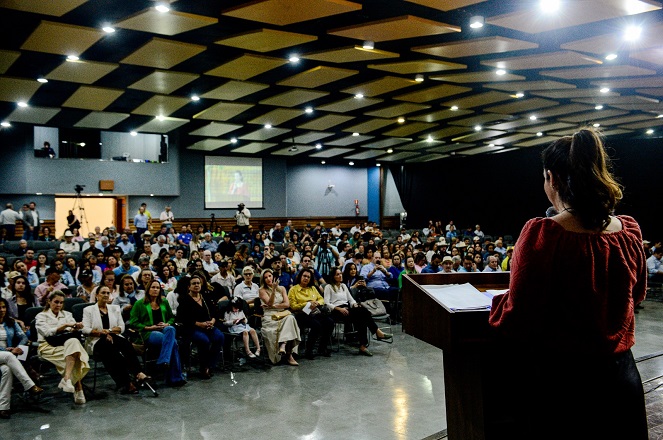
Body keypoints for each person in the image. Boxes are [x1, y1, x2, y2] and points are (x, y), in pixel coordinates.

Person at [488, 128, 648, 438]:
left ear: (553, 178)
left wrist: (498, 303)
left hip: (564, 385)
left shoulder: (544, 234)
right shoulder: (628, 231)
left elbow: (519, 317)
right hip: (622, 379)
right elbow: (637, 294)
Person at [82, 286, 150, 394]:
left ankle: (137, 374)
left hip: (114, 336)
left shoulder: (115, 308)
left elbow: (121, 327)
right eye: (103, 292)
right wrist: (102, 333)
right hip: (96, 340)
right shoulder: (88, 310)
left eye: (108, 293)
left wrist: (108, 332)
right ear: (97, 295)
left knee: (126, 344)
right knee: (109, 349)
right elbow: (85, 329)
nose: (105, 295)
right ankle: (127, 382)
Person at [35, 290, 89, 404]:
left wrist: (75, 327)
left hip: (65, 343)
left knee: (73, 341)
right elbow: (47, 333)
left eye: (61, 303)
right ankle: (79, 388)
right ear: (49, 301)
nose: (58, 305)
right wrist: (65, 325)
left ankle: (67, 378)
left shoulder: (67, 314)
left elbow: (71, 330)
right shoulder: (41, 316)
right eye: (56, 302)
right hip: (47, 346)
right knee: (75, 355)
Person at [129, 280, 186, 387]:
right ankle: (176, 377)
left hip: (164, 330)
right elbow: (133, 322)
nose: (155, 289)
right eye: (153, 287)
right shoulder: (139, 304)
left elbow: (171, 318)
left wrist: (166, 324)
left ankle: (163, 360)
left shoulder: (164, 302)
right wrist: (149, 327)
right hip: (148, 332)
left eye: (158, 288)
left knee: (171, 329)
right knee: (173, 342)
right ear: (148, 289)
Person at [324, 267, 391, 357]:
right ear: (333, 276)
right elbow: (327, 303)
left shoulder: (344, 286)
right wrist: (338, 309)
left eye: (340, 274)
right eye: (337, 274)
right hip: (336, 310)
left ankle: (363, 345)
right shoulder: (329, 287)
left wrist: (355, 305)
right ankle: (376, 333)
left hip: (347, 309)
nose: (340, 276)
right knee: (362, 313)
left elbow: (351, 300)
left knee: (362, 314)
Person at [0, 299, 44, 419]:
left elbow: (23, 337)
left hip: (8, 357)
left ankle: (3, 408)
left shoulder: (11, 322)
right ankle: (29, 385)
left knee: (6, 370)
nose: (2, 310)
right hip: (5, 354)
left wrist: (18, 347)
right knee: (9, 356)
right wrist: (9, 351)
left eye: (4, 307)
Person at [174, 275, 223, 379]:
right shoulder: (184, 300)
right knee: (204, 340)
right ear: (189, 286)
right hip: (192, 327)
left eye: (198, 283)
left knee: (219, 337)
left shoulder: (206, 297)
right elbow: (182, 318)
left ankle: (210, 365)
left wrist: (212, 321)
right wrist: (199, 324)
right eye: (194, 283)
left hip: (208, 325)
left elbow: (215, 312)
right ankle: (203, 367)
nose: (196, 285)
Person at [288, 268, 334, 359]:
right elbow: (292, 305)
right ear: (300, 276)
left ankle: (322, 347)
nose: (306, 278)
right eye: (304, 276)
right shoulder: (293, 289)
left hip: (314, 312)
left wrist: (317, 303)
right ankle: (309, 350)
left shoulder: (312, 288)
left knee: (329, 322)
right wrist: (307, 303)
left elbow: (321, 299)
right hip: (301, 313)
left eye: (308, 277)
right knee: (316, 325)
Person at [259, 268, 300, 366]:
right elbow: (269, 302)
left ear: (273, 276)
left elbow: (287, 304)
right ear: (263, 280)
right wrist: (273, 290)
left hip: (282, 313)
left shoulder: (281, 288)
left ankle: (285, 347)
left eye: (270, 276)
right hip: (269, 316)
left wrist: (273, 306)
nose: (268, 279)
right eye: (265, 278)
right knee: (291, 320)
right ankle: (287, 352)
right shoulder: (261, 290)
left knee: (290, 318)